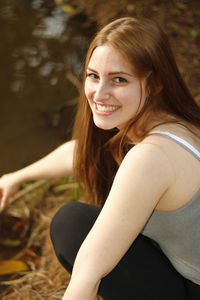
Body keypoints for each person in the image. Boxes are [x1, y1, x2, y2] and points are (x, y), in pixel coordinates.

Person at [0, 16, 200, 300]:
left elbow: (89, 273)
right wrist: (16, 177)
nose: (99, 93)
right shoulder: (178, 123)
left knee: (71, 225)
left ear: (155, 84)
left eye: (119, 79)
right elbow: (81, 152)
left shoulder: (151, 157)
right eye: (93, 76)